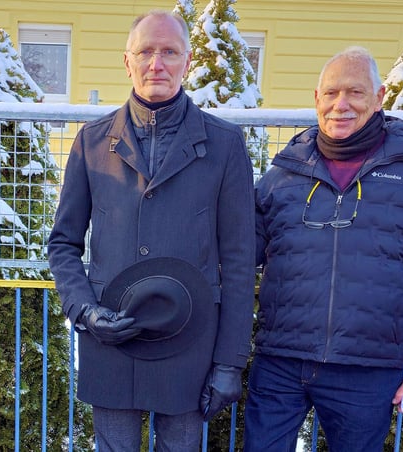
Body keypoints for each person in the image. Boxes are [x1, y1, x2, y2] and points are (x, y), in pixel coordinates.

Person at [47, 10, 255, 451]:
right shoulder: (91, 142)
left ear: (188, 60)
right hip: (113, 338)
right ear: (128, 61)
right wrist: (84, 312)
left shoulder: (224, 144)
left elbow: (239, 260)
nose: (156, 64)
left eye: (169, 52)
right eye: (145, 51)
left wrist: (229, 363)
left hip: (190, 343)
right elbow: (63, 243)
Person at [246, 46, 403, 450]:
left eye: (355, 93)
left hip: (367, 371)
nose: (340, 105)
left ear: (379, 98)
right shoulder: (283, 172)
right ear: (316, 99)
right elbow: (239, 253)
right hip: (280, 362)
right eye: (330, 93)